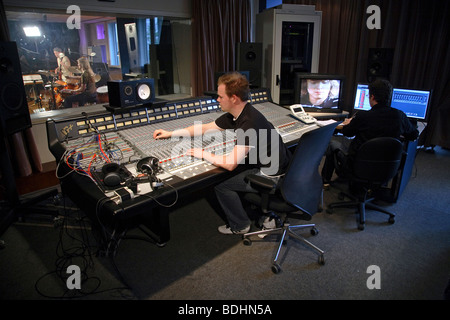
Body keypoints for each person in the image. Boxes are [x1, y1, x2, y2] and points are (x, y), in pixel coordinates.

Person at [153, 72, 292, 234]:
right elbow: (204, 128)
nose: (217, 100)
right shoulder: (241, 113)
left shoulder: (249, 123)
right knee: (232, 172)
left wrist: (202, 153)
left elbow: (230, 164)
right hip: (279, 165)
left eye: (220, 96)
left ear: (233, 98)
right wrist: (170, 133)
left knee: (221, 185)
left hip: (273, 176)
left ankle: (240, 225)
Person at [321, 78, 419, 186]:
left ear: (372, 97)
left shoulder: (363, 116)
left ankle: (325, 181)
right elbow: (413, 135)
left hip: (358, 166)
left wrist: (350, 123)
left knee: (332, 144)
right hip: (386, 168)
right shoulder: (399, 116)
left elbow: (348, 133)